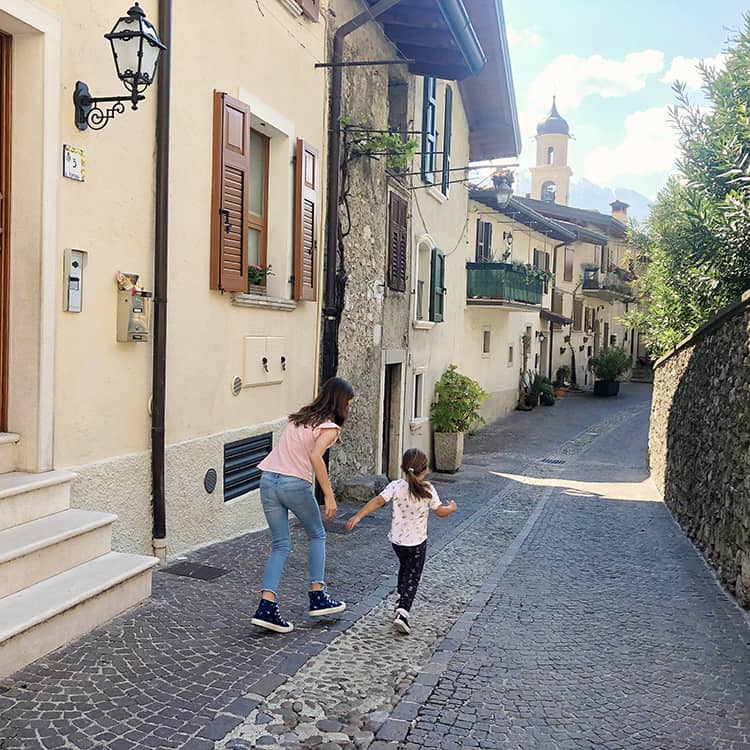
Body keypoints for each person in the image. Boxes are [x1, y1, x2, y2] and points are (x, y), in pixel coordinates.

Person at [250, 377, 354, 633]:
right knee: (317, 534)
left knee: (280, 545)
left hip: (268, 481)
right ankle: (317, 596)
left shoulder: (298, 418)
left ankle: (266, 606)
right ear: (340, 402)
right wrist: (328, 496)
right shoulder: (329, 427)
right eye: (348, 404)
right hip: (293, 484)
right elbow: (315, 455)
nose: (348, 410)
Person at [345, 448, 458, 634]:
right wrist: (452, 508)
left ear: (402, 468)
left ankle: (400, 597)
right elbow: (440, 511)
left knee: (405, 569)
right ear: (425, 470)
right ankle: (403, 612)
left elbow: (378, 501)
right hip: (417, 543)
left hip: (397, 542)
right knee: (413, 575)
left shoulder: (395, 486)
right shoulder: (428, 489)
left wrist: (359, 516)